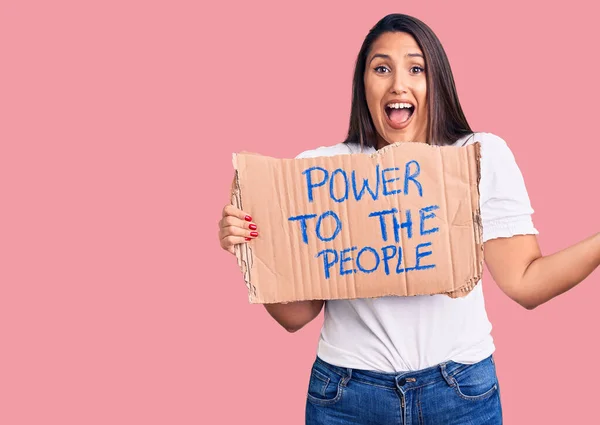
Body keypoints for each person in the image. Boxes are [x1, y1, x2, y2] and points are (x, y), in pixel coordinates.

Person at [217, 13, 600, 425]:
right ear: (362, 84)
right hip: (347, 396)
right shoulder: (321, 172)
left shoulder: (478, 156)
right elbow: (296, 317)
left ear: (437, 81)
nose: (398, 84)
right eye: (381, 68)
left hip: (459, 393)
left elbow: (526, 282)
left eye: (415, 68)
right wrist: (254, 248)